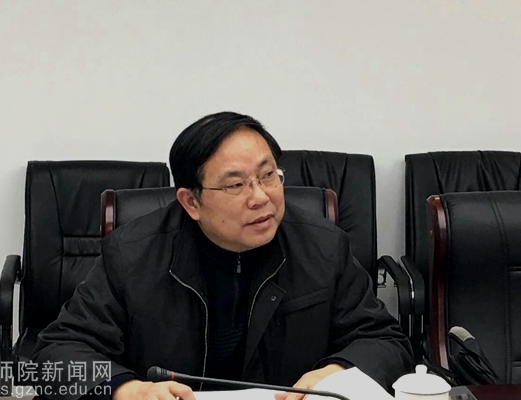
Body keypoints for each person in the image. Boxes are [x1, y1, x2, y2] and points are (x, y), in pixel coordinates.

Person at [30, 111, 414, 400]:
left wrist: (339, 371)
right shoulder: (132, 255)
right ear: (191, 202)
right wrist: (125, 389)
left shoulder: (324, 246)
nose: (260, 196)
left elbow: (385, 340)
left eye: (268, 175)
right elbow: (56, 352)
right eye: (235, 185)